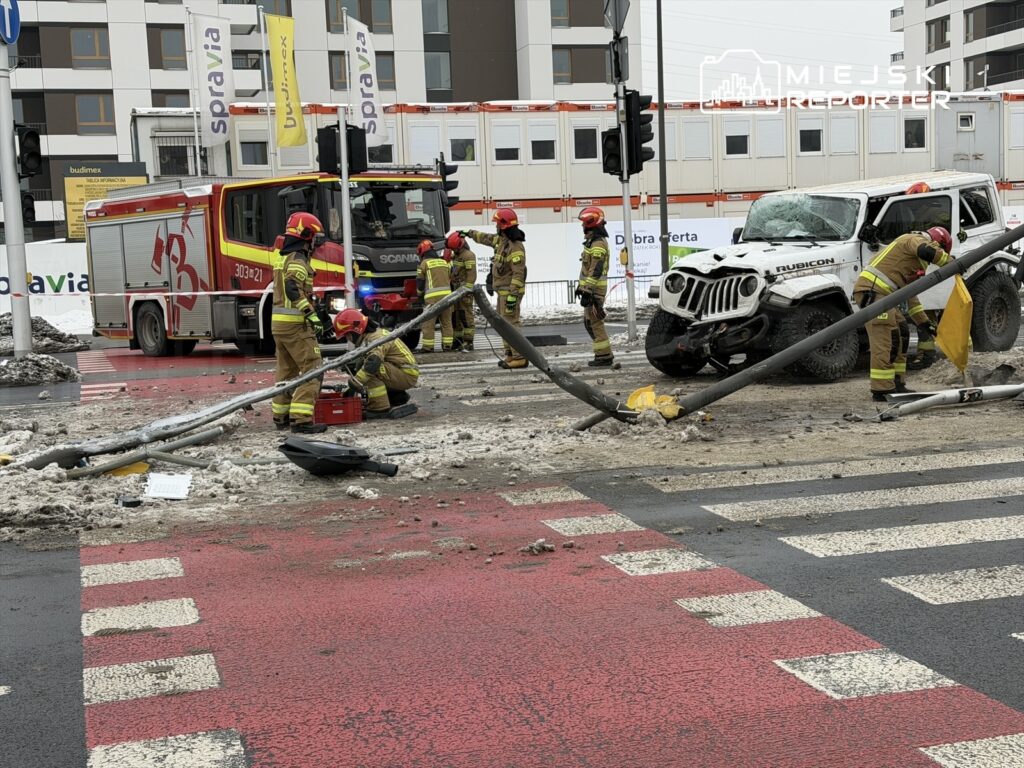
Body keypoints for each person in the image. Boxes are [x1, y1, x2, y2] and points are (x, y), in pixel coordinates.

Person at [852, 227, 953, 401]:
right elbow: (926, 250)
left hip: (882, 296)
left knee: (902, 332)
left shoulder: (908, 260)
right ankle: (881, 390)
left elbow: (910, 295)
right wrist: (950, 262)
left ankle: (897, 384)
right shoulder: (914, 239)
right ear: (937, 242)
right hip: (873, 292)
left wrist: (923, 323)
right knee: (887, 340)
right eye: (940, 249)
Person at [271, 212, 327, 433]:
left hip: (279, 325)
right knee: (313, 369)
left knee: (286, 372)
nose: (316, 243)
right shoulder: (298, 259)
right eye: (314, 237)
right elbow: (292, 288)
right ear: (306, 235)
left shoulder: (282, 257)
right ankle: (301, 419)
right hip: (295, 325)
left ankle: (281, 416)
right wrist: (310, 314)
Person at [463, 208, 527, 369]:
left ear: (503, 226)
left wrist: (513, 296)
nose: (495, 228)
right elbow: (485, 238)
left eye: (497, 224)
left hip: (510, 293)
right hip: (502, 292)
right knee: (504, 325)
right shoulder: (502, 242)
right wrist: (468, 233)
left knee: (512, 324)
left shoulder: (515, 247)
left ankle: (520, 357)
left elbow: (518, 274)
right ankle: (511, 354)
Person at [333, 308, 419, 418]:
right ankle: (396, 396)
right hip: (401, 371)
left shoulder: (375, 338)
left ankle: (379, 408)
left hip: (407, 374)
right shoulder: (371, 336)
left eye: (347, 335)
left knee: (369, 370)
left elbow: (373, 363)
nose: (348, 339)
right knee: (362, 367)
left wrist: (354, 384)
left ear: (355, 331)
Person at [574, 206, 614, 367]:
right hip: (591, 289)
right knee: (589, 322)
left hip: (595, 290)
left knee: (595, 322)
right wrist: (582, 288)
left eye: (584, 224)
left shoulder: (598, 244)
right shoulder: (592, 242)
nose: (582, 227)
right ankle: (602, 354)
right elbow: (588, 269)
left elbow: (595, 270)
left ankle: (604, 356)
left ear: (591, 225)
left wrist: (587, 290)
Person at [415, 239, 454, 352]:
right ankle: (447, 346)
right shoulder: (444, 262)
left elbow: (420, 282)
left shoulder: (423, 264)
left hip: (432, 299)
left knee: (428, 323)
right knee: (446, 322)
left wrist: (419, 294)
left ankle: (428, 347)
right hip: (447, 297)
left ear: (423, 252)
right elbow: (451, 278)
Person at [447, 231, 477, 351]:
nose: (453, 250)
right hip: (456, 291)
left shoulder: (469, 255)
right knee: (456, 317)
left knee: (466, 317)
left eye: (454, 248)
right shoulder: (457, 255)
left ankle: (469, 342)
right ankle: (458, 341)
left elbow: (471, 275)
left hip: (464, 292)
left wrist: (467, 290)